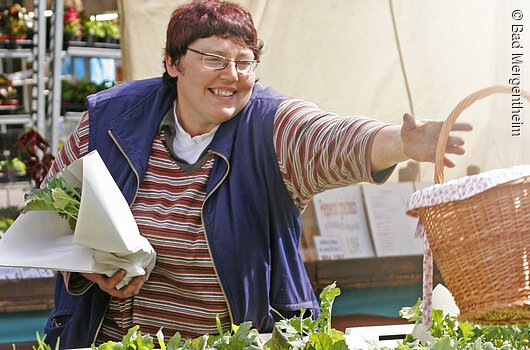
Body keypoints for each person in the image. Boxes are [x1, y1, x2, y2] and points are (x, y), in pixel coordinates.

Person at [43, 0, 471, 348]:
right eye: (214, 59)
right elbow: (51, 210)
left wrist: (400, 141)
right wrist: (86, 267)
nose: (231, 76)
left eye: (244, 63)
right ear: (174, 63)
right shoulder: (111, 121)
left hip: (237, 342)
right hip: (113, 341)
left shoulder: (270, 128)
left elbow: (330, 139)